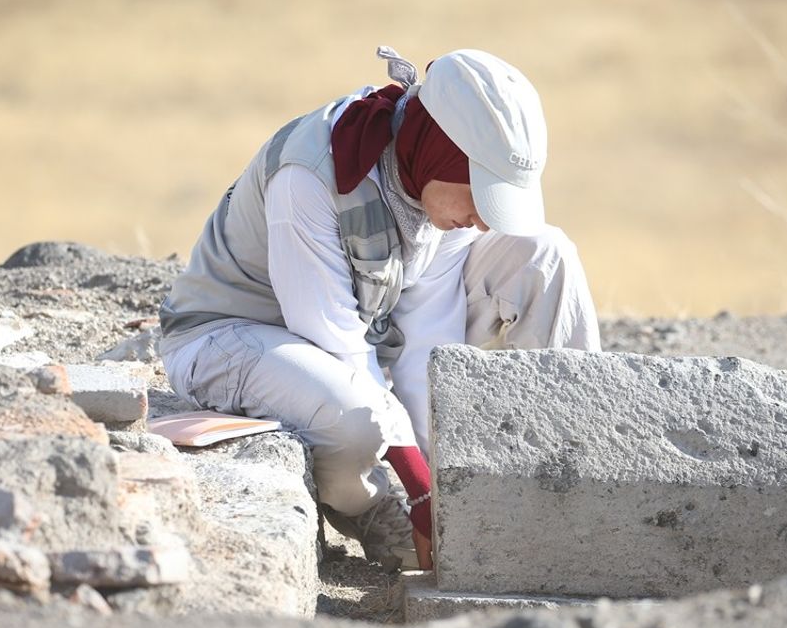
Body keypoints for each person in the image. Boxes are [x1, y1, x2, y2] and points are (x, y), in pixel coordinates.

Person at [159, 47, 600, 570]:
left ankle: (571, 476)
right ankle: (371, 510)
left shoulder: (428, 181)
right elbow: (333, 340)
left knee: (545, 254)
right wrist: (418, 493)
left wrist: (447, 486)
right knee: (355, 419)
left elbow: (425, 344)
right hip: (233, 339)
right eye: (482, 196)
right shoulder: (310, 176)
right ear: (442, 152)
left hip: (361, 330)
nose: (485, 221)